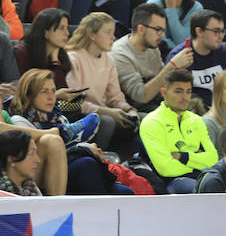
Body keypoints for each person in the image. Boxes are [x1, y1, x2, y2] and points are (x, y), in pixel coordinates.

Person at [8, 68, 138, 194]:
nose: (51, 97)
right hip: (45, 174)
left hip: (67, 164)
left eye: (53, 91)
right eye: (44, 91)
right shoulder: (20, 121)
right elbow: (37, 160)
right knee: (86, 163)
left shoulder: (58, 117)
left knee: (125, 191)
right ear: (29, 95)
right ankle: (95, 213)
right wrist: (82, 148)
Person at [66, 11, 139, 148]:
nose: (113, 37)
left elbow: (115, 97)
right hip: (80, 115)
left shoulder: (108, 59)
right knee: (108, 121)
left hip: (103, 111)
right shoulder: (74, 58)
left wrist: (129, 110)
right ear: (92, 35)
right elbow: (75, 103)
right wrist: (107, 111)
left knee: (140, 119)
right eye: (108, 32)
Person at [139, 67, 216, 193]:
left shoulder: (196, 120)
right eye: (178, 91)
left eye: (188, 91)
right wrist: (197, 159)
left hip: (202, 176)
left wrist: (183, 157)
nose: (185, 97)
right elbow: (166, 169)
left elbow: (212, 159)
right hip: (172, 182)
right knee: (210, 188)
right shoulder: (152, 122)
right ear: (164, 92)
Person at [111, 2, 192, 112]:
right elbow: (141, 97)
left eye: (163, 30)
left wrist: (179, 68)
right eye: (158, 30)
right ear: (141, 29)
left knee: (194, 103)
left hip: (157, 101)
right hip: (137, 109)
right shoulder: (120, 54)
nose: (162, 35)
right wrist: (172, 65)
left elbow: (163, 82)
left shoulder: (152, 46)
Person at [164, 9, 226, 109]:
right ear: (199, 31)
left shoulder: (222, 52)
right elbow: (177, 98)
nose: (221, 36)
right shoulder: (179, 57)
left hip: (222, 107)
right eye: (216, 31)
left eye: (222, 31)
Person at [13, 8, 72, 91]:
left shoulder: (60, 53)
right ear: (45, 33)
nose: (67, 33)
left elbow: (61, 87)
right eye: (61, 28)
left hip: (53, 103)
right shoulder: (21, 53)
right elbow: (25, 91)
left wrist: (55, 61)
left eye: (67, 28)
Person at [0, 130, 43, 195]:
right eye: (31, 153)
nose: (37, 160)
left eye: (36, 153)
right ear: (11, 158)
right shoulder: (3, 194)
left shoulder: (31, 187)